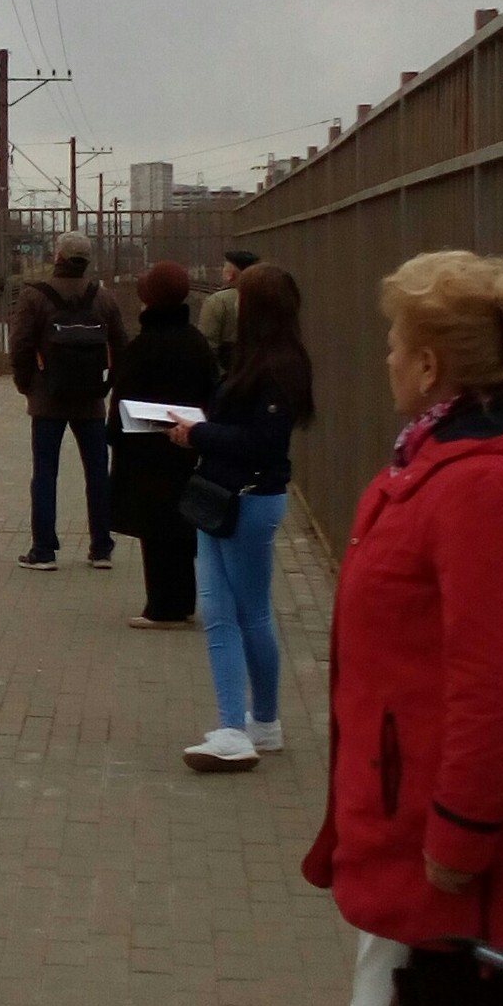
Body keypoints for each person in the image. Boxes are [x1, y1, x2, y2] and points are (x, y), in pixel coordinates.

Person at [303, 250, 503, 1006]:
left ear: (428, 368)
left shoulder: (482, 486)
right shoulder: (434, 464)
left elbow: (493, 683)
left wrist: (457, 837)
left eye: (394, 344)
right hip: (405, 832)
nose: (384, 357)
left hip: (452, 872)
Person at [170, 262, 313, 772]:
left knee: (232, 614)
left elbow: (261, 443)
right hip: (228, 496)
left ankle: (234, 727)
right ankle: (263, 723)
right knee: (238, 611)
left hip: (243, 499)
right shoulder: (269, 360)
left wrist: (198, 434)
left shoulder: (274, 369)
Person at [107, 259, 217, 628]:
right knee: (183, 529)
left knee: (155, 532)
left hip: (146, 456)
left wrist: (115, 435)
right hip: (188, 451)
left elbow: (122, 399)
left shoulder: (142, 347)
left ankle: (162, 607)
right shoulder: (197, 343)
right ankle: (183, 601)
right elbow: (211, 394)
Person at [10, 231, 128, 571]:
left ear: (57, 257)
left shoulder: (35, 297)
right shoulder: (103, 297)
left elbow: (20, 347)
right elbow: (121, 347)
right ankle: (101, 548)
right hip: (90, 400)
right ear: (87, 261)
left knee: (45, 473)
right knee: (97, 473)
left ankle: (44, 551)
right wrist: (106, 387)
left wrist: (27, 385)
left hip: (48, 399)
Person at [198, 248, 259, 371]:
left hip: (228, 372)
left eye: (225, 267)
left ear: (230, 274)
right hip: (256, 369)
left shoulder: (218, 301)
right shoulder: (263, 297)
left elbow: (207, 346)